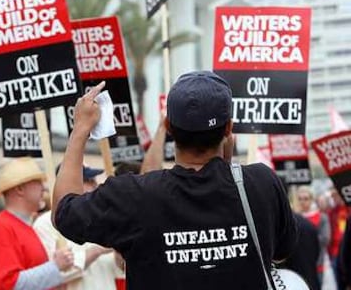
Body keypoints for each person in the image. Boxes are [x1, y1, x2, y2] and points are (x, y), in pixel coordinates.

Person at [52, 71, 298, 289]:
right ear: (228, 128)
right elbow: (279, 253)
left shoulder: (134, 196)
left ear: (168, 126)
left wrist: (81, 128)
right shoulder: (262, 184)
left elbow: (64, 212)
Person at [0, 157, 74, 290]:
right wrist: (55, 266)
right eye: (38, 182)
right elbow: (9, 285)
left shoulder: (23, 227)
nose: (44, 187)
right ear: (20, 189)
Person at [34, 165, 123, 290]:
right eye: (88, 181)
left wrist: (121, 254)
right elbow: (52, 274)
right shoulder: (45, 223)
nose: (96, 185)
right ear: (67, 184)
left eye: (94, 180)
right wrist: (97, 250)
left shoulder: (102, 217)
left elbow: (118, 269)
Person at [296, 186, 331, 285]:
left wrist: (307, 238)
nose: (303, 202)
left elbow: (325, 239)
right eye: (300, 199)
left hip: (317, 264)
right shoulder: (294, 218)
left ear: (311, 199)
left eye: (306, 198)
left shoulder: (321, 217)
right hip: (299, 264)